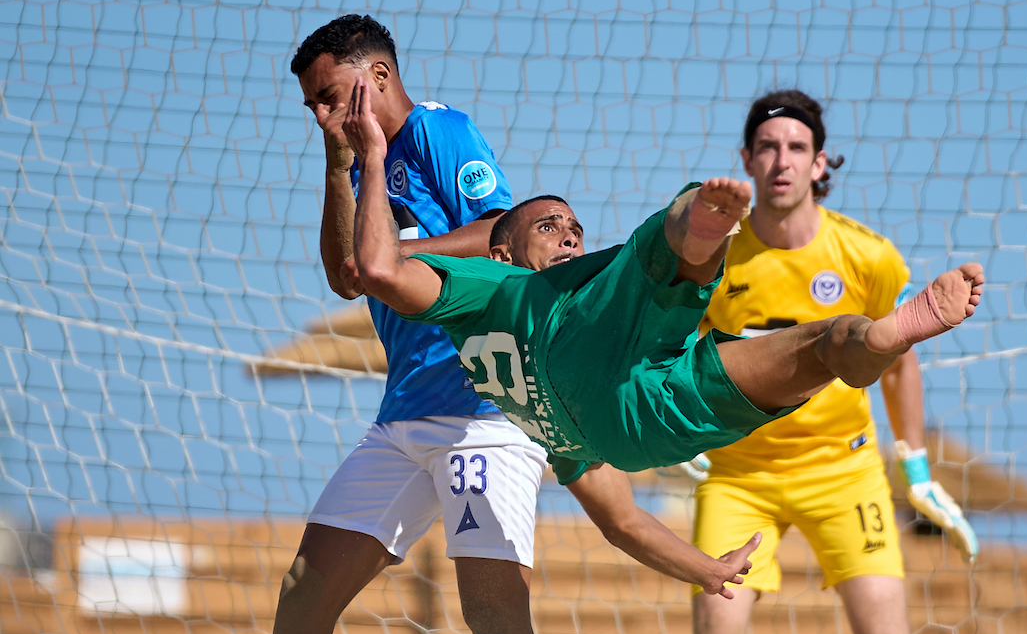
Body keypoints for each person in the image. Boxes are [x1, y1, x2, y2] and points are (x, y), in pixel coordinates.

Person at [339, 72, 985, 597]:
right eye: (547, 226)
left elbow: (622, 521)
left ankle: (876, 339)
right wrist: (368, 156)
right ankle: (699, 221)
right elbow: (377, 268)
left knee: (825, 344)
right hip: (583, 348)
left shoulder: (544, 415)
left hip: (643, 411)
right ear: (502, 254)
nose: (567, 233)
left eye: (573, 226)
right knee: (647, 250)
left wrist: (706, 569)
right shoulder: (493, 284)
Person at [270, 15, 549, 634]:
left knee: (494, 617)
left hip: (482, 410)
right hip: (403, 415)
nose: (321, 116)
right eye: (312, 106)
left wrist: (397, 261)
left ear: (379, 75)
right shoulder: (359, 162)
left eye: (328, 97)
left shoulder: (436, 130)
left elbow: (501, 232)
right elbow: (347, 279)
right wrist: (337, 167)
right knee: (304, 589)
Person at [689, 90, 978, 634]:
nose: (782, 160)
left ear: (819, 163)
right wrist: (679, 439)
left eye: (797, 147)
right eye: (767, 147)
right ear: (747, 160)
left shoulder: (869, 256)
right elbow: (674, 350)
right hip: (739, 475)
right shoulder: (714, 254)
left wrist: (917, 472)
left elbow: (899, 365)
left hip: (844, 470)